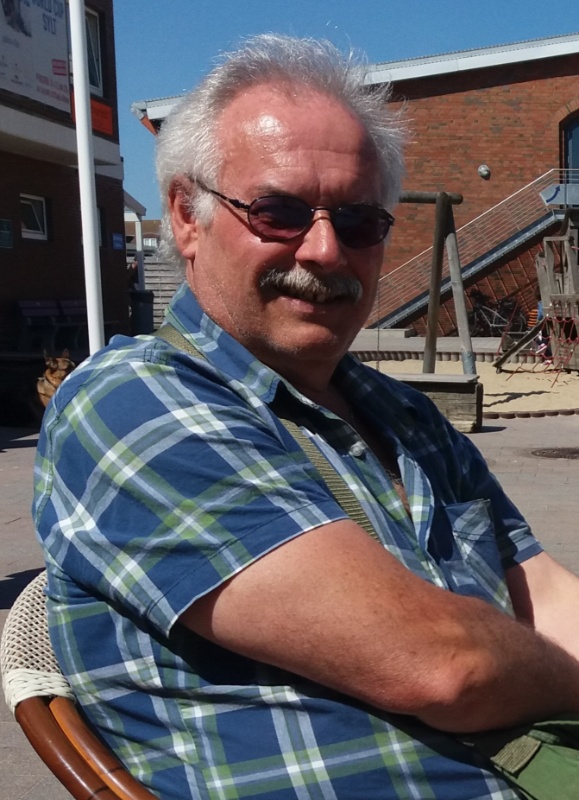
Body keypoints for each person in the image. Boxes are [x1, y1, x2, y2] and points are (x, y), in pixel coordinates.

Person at [34, 34, 579, 800]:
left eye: (357, 222)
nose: (324, 250)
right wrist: (550, 678)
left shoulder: (402, 413)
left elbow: (543, 594)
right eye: (278, 211)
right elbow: (441, 665)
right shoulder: (132, 403)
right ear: (186, 217)